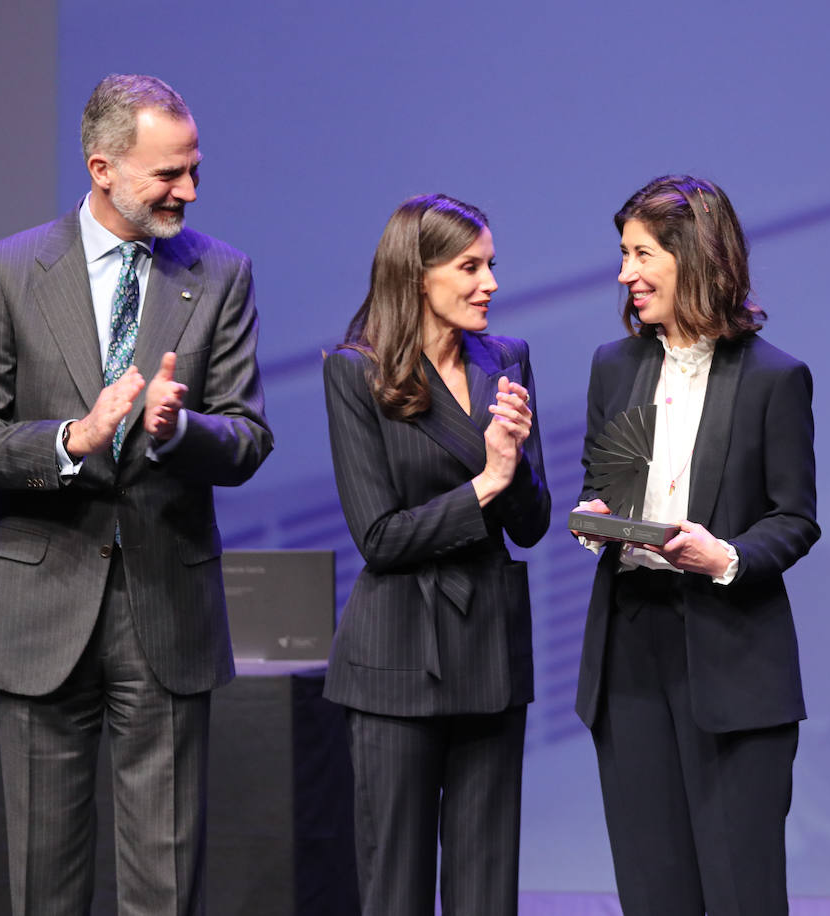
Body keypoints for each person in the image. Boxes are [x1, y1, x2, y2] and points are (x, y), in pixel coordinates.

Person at [0, 74, 272, 914]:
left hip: (166, 606)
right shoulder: (4, 273)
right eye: (167, 174)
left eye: (193, 168)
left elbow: (248, 437)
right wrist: (69, 441)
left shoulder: (220, 274)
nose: (187, 189)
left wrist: (176, 433)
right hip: (41, 604)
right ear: (102, 167)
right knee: (45, 876)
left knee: (166, 880)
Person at [572, 175, 819, 915]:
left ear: (692, 255)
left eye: (641, 253)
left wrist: (727, 558)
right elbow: (605, 482)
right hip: (631, 652)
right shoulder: (616, 367)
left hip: (733, 657)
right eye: (623, 253)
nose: (625, 273)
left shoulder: (774, 378)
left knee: (741, 891)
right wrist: (598, 517)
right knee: (653, 892)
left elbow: (795, 517)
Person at [323, 194, 549, 916]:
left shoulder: (505, 358)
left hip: (489, 646)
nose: (489, 283)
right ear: (417, 276)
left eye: (491, 266)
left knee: (488, 885)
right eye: (469, 267)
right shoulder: (355, 373)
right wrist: (485, 481)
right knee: (397, 884)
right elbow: (381, 539)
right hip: (397, 656)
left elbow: (534, 523)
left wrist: (510, 467)